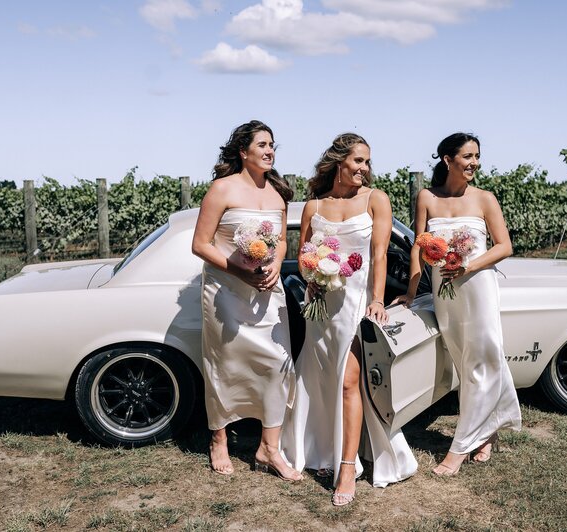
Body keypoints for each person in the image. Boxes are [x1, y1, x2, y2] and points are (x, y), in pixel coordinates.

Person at [281, 133, 418, 506]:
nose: (365, 169)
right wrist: (316, 277)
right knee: (319, 377)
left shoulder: (376, 200)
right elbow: (306, 257)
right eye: (358, 161)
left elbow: (379, 255)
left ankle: (346, 466)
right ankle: (321, 450)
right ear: (339, 162)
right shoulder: (314, 206)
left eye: (368, 162)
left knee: (348, 381)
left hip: (356, 305)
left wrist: (377, 299)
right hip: (321, 306)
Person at [394, 132, 521, 476]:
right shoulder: (426, 197)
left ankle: (459, 448)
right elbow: (419, 247)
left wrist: (467, 266)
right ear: (448, 160)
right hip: (443, 289)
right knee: (466, 364)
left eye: (477, 156)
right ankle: (488, 428)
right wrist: (412, 290)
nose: (474, 163)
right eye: (467, 156)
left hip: (477, 285)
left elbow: (504, 246)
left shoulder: (484, 199)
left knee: (483, 356)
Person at [191, 120, 302, 481]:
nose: (270, 151)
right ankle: (219, 438)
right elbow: (201, 244)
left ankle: (269, 448)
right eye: (263, 145)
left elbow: (283, 241)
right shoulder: (221, 189)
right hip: (225, 291)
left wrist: (272, 265)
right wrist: (239, 271)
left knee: (278, 362)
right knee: (223, 364)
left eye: (273, 145)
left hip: (267, 292)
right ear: (243, 151)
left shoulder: (278, 193)